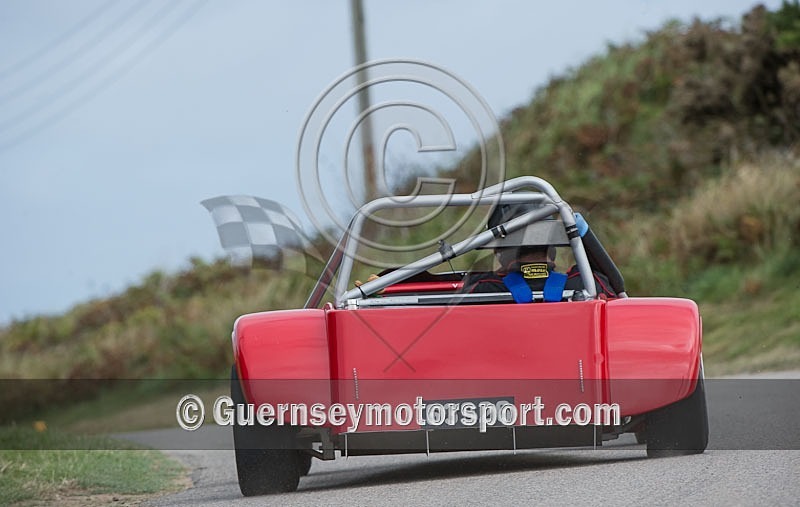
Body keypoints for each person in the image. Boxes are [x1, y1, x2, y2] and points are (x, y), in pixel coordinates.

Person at [461, 203, 616, 299]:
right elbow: (615, 287)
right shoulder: (588, 285)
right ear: (552, 247)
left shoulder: (480, 290)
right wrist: (586, 236)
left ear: (499, 252)